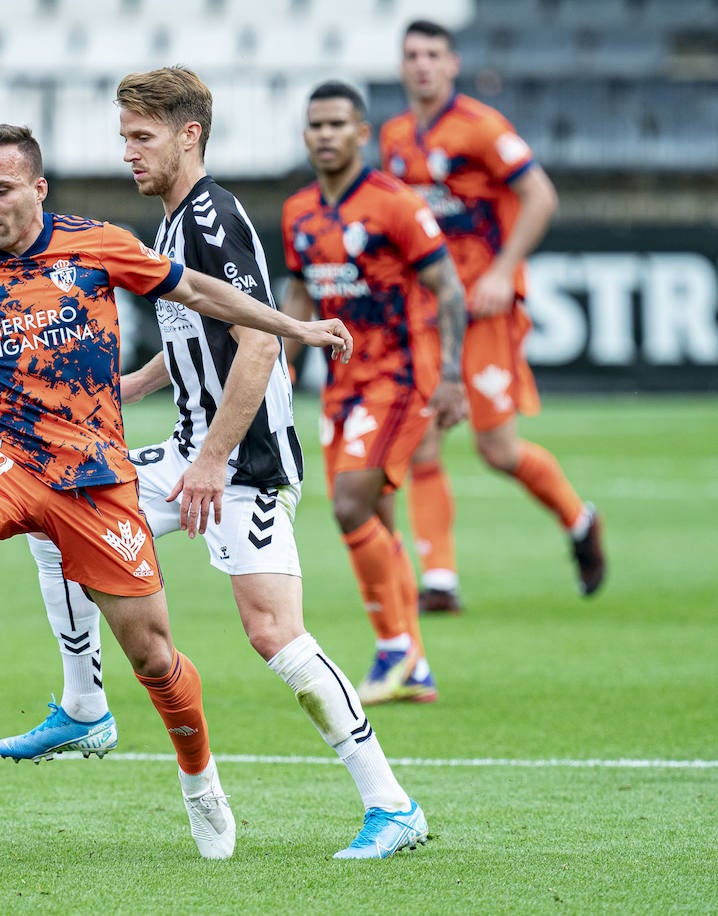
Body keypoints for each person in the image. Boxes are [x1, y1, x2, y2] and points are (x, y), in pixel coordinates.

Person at [0, 123, 354, 860]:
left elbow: (204, 293)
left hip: (97, 483)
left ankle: (201, 780)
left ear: (38, 188)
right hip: (4, 463)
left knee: (153, 659)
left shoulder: (98, 244)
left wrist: (291, 325)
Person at [0, 68, 431, 859]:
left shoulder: (211, 219)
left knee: (274, 635)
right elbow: (196, 338)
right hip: (197, 448)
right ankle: (85, 703)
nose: (126, 152)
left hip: (248, 462)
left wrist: (213, 459)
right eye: (124, 135)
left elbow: (259, 343)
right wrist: (128, 384)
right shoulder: (170, 225)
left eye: (141, 137)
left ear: (187, 134)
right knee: (53, 508)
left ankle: (393, 804)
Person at [381, 19, 605, 612]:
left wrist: (505, 270)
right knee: (422, 442)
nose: (422, 64)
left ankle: (579, 520)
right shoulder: (395, 137)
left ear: (452, 64)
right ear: (401, 66)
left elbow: (541, 195)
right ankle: (441, 581)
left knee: (497, 450)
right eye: (412, 55)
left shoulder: (481, 127)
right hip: (429, 311)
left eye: (433, 54)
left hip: (482, 307)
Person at [279, 81, 468, 706]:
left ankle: (392, 647)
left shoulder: (395, 203)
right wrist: (278, 371)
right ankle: (413, 666)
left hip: (398, 381)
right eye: (316, 124)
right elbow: (301, 301)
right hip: (341, 388)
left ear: (362, 133)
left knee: (350, 506)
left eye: (337, 124)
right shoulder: (297, 211)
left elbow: (448, 289)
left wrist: (451, 377)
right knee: (376, 520)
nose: (325, 134)